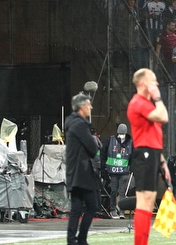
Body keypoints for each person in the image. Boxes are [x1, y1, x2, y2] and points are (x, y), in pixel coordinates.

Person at [126, 68, 171, 245]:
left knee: (149, 200)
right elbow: (163, 116)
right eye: (153, 80)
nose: (157, 83)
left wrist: (162, 161)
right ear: (143, 83)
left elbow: (152, 135)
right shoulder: (138, 103)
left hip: (151, 153)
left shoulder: (146, 103)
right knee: (144, 202)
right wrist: (158, 97)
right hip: (144, 153)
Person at [65, 93, 101, 245]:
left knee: (76, 208)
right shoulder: (80, 125)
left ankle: (72, 240)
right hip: (83, 173)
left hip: (73, 172)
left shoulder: (71, 123)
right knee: (92, 206)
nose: (90, 107)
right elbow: (93, 149)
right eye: (88, 104)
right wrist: (95, 140)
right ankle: (81, 239)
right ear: (81, 107)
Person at [104, 123, 133, 219]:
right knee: (113, 191)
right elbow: (103, 152)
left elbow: (133, 156)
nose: (121, 135)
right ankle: (113, 210)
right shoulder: (110, 140)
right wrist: (104, 166)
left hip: (124, 171)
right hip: (113, 171)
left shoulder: (130, 143)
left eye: (123, 133)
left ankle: (121, 211)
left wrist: (132, 167)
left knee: (122, 192)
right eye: (120, 133)